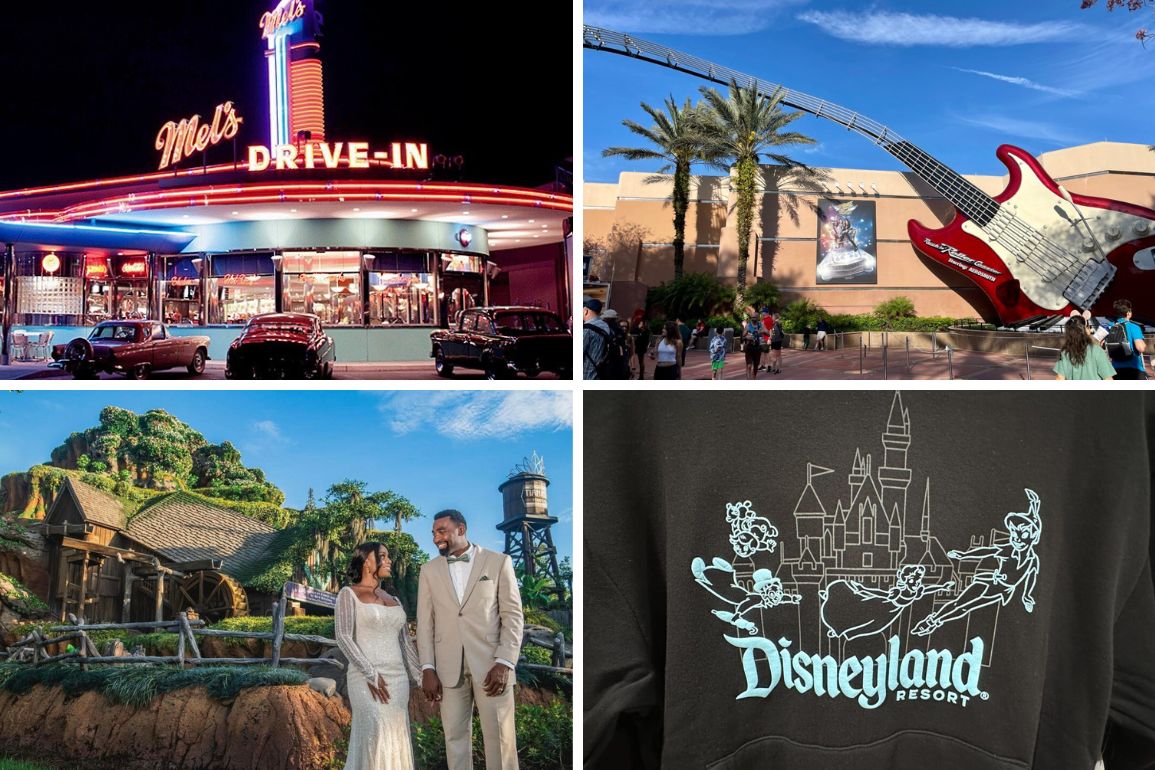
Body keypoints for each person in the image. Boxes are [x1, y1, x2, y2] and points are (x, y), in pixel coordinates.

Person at [418, 510, 524, 770]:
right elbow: (425, 623)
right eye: (433, 533)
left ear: (461, 529)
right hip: (447, 670)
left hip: (492, 666)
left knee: (501, 740)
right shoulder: (428, 570)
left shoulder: (499, 562)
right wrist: (427, 668)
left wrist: (505, 662)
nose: (436, 538)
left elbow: (513, 616)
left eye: (441, 531)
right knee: (454, 739)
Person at [335, 543, 421, 770]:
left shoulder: (395, 600)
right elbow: (343, 637)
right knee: (375, 733)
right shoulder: (348, 594)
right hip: (365, 679)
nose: (389, 560)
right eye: (383, 556)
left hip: (398, 681)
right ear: (367, 562)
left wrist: (421, 677)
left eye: (388, 556)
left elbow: (405, 643)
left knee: (395, 735)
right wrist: (371, 674)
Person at [1054, 316, 1115, 381]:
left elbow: (1060, 378)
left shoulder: (1065, 352)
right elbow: (1108, 378)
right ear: (1085, 330)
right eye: (1087, 326)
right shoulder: (1097, 350)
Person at [1106, 299, 1149, 380]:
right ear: (1128, 312)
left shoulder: (1109, 326)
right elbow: (1140, 348)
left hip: (1115, 370)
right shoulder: (1134, 327)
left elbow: (1098, 342)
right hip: (1134, 368)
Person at [583, 297, 611, 380]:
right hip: (600, 372)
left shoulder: (587, 330)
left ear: (586, 311)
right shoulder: (606, 326)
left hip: (587, 375)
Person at [630, 310, 651, 380]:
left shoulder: (646, 328)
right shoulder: (637, 323)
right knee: (632, 359)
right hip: (636, 345)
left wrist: (640, 330)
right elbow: (632, 331)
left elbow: (645, 337)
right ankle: (633, 375)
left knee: (641, 361)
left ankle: (641, 376)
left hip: (641, 346)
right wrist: (638, 329)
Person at [743, 315, 762, 380]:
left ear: (757, 318)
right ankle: (748, 378)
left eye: (755, 317)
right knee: (749, 365)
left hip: (757, 348)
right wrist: (747, 337)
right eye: (752, 317)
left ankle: (754, 378)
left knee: (756, 365)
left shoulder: (760, 325)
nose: (753, 318)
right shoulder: (748, 326)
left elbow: (765, 333)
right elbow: (743, 336)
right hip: (749, 347)